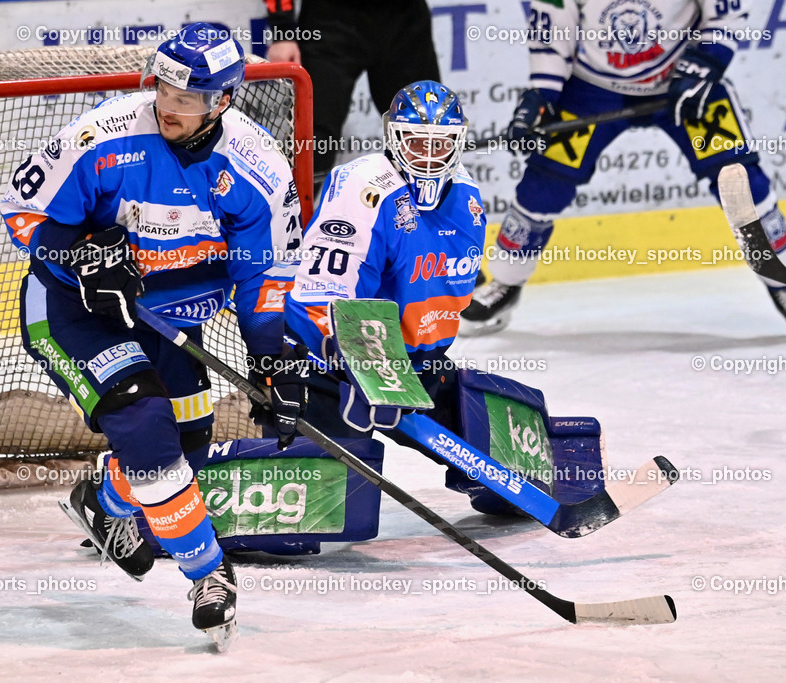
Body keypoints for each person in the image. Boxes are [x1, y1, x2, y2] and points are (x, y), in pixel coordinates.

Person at [0, 23, 302, 642]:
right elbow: (22, 212)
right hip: (75, 312)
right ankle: (209, 574)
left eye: (188, 99)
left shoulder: (257, 168)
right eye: (163, 89)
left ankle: (106, 503)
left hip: (172, 320)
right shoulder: (102, 137)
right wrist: (83, 253)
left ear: (223, 100)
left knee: (184, 447)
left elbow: (263, 274)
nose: (169, 106)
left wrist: (271, 361)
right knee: (144, 424)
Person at [460, 0, 786, 335]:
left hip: (684, 81)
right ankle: (506, 281)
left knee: (738, 182)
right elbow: (553, 34)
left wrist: (705, 62)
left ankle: (780, 276)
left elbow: (728, 12)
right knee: (544, 185)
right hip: (592, 87)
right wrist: (540, 96)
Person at [284, 80, 509, 511]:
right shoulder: (365, 186)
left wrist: (411, 370)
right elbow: (325, 290)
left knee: (505, 477)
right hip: (333, 364)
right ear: (392, 136)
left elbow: (444, 299)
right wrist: (358, 364)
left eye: (439, 144)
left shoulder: (467, 198)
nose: (427, 155)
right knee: (321, 508)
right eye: (415, 141)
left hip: (413, 364)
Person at [265, 0, 441, 182]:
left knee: (426, 128)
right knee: (313, 140)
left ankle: (432, 207)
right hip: (329, 22)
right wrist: (283, 30)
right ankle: (293, 210)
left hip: (404, 20)